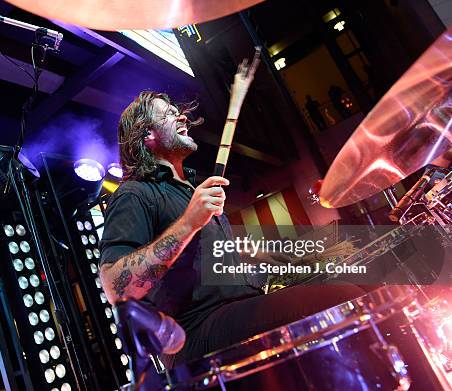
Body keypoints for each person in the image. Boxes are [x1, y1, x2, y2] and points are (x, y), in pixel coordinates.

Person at [99, 91, 364, 366]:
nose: (181, 116)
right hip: (197, 332)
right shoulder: (135, 193)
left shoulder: (190, 189)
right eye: (166, 114)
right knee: (345, 298)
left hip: (234, 309)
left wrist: (257, 257)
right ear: (147, 136)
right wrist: (189, 222)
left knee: (338, 289)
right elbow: (116, 287)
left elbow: (199, 263)